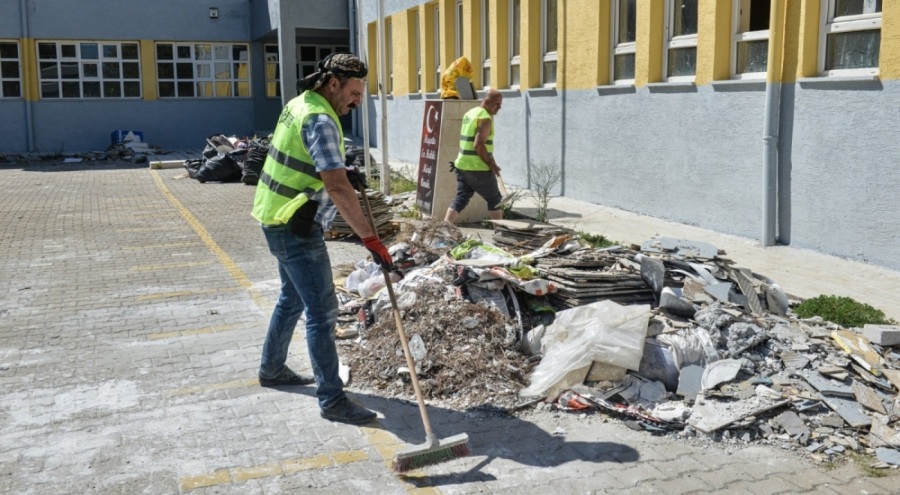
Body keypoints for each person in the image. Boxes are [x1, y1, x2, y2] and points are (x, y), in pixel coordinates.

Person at [251, 53, 391, 425]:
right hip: (295, 226)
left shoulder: (301, 104)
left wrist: (344, 169)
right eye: (355, 92)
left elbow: (313, 159)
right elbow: (334, 185)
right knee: (323, 312)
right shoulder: (320, 118)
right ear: (333, 84)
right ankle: (332, 400)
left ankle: (272, 368)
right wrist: (369, 238)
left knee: (292, 298)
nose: (358, 101)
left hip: (275, 215)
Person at [443, 89, 504, 225]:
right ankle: (501, 232)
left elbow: (474, 143)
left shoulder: (470, 113)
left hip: (462, 165)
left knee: (461, 198)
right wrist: (491, 164)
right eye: (497, 104)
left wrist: (491, 160)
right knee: (495, 200)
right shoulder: (485, 119)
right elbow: (478, 145)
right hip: (478, 168)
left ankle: (443, 228)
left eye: (500, 104)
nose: (499, 108)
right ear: (487, 102)